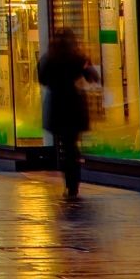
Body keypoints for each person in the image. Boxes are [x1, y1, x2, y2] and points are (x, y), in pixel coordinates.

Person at [37, 28, 98, 199]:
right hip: (73, 105)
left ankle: (68, 178)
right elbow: (93, 77)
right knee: (71, 145)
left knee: (64, 144)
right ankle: (73, 182)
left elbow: (42, 78)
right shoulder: (77, 59)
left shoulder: (48, 59)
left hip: (56, 105)